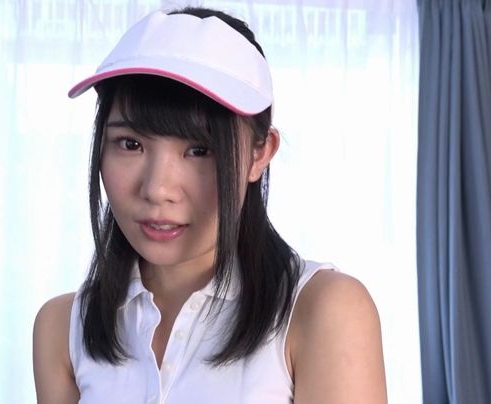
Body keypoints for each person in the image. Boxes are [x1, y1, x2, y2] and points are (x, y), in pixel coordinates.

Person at [33, 6, 386, 404]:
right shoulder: (63, 328)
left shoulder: (322, 311)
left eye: (199, 150)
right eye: (130, 144)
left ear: (259, 153)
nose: (157, 190)